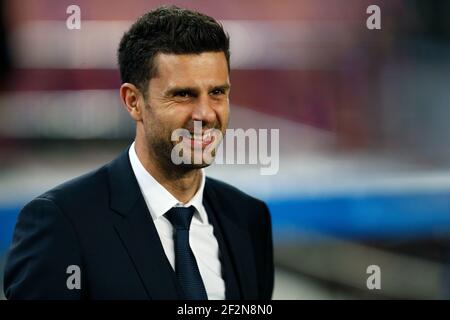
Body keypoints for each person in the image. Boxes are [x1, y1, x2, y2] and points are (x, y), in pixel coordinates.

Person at [3, 5, 274, 300]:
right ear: (133, 101)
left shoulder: (248, 217)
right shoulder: (60, 223)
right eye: (183, 94)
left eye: (218, 93)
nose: (206, 113)